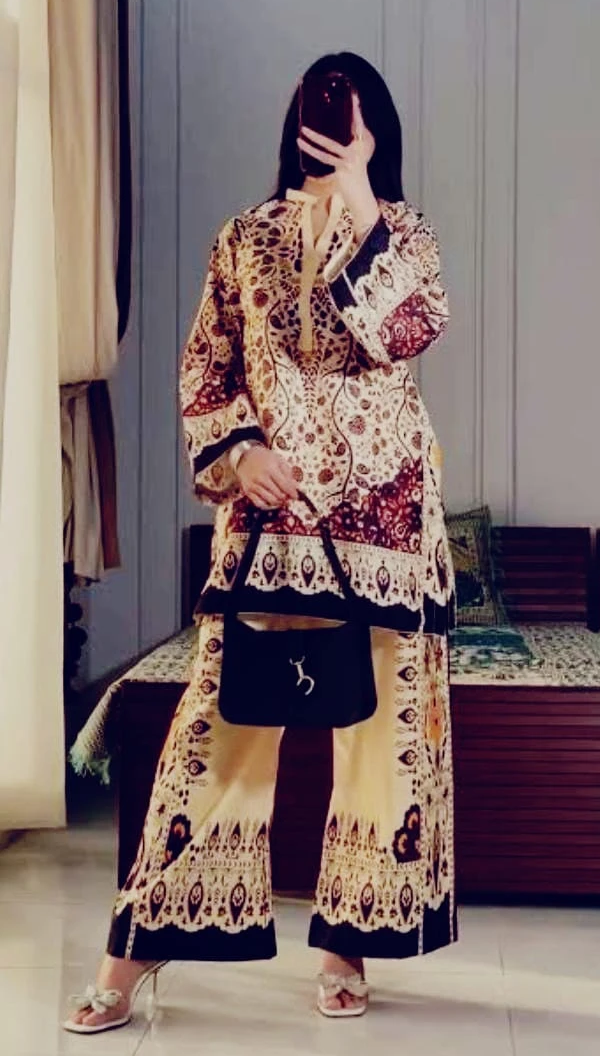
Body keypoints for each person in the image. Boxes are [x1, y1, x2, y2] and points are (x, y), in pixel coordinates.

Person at [64, 51, 456, 1033]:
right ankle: (135, 948)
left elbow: (409, 330)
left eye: (353, 115)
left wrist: (360, 192)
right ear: (295, 119)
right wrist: (240, 454)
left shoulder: (403, 233)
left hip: (387, 526)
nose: (335, 125)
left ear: (378, 130)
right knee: (217, 733)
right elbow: (207, 367)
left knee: (380, 745)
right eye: (323, 109)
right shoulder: (244, 238)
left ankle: (346, 943)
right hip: (271, 527)